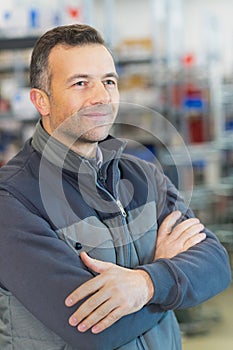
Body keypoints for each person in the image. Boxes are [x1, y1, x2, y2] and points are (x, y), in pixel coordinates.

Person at [0, 24, 231, 350]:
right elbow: (94, 329)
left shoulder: (143, 174)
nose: (101, 97)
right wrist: (171, 279)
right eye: (81, 83)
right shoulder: (13, 200)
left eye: (109, 81)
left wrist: (145, 284)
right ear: (42, 101)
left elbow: (217, 266)